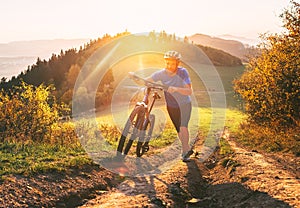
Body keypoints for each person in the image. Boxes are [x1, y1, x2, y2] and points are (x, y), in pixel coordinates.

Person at [147, 50, 194, 162]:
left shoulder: (183, 72)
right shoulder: (161, 73)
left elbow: (189, 91)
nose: (169, 66)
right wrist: (141, 81)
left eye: (172, 63)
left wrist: (176, 89)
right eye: (167, 63)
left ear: (177, 64)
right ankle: (186, 148)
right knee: (178, 129)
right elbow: (149, 80)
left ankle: (184, 151)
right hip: (171, 106)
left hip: (184, 104)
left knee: (183, 126)